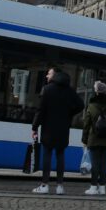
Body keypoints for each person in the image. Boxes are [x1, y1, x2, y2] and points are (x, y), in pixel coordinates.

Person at [31, 67, 84, 195]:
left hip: (48, 127)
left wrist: (34, 127)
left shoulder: (47, 89)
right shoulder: (69, 90)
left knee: (47, 154)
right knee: (60, 155)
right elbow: (80, 105)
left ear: (54, 75)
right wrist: (69, 113)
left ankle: (45, 184)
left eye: (48, 74)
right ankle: (60, 186)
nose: (47, 76)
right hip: (63, 127)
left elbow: (40, 110)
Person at [81, 80, 106, 196]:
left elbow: (86, 124)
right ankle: (102, 188)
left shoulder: (92, 106)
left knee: (95, 163)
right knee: (103, 164)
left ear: (97, 92)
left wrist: (84, 140)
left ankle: (93, 187)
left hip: (94, 138)